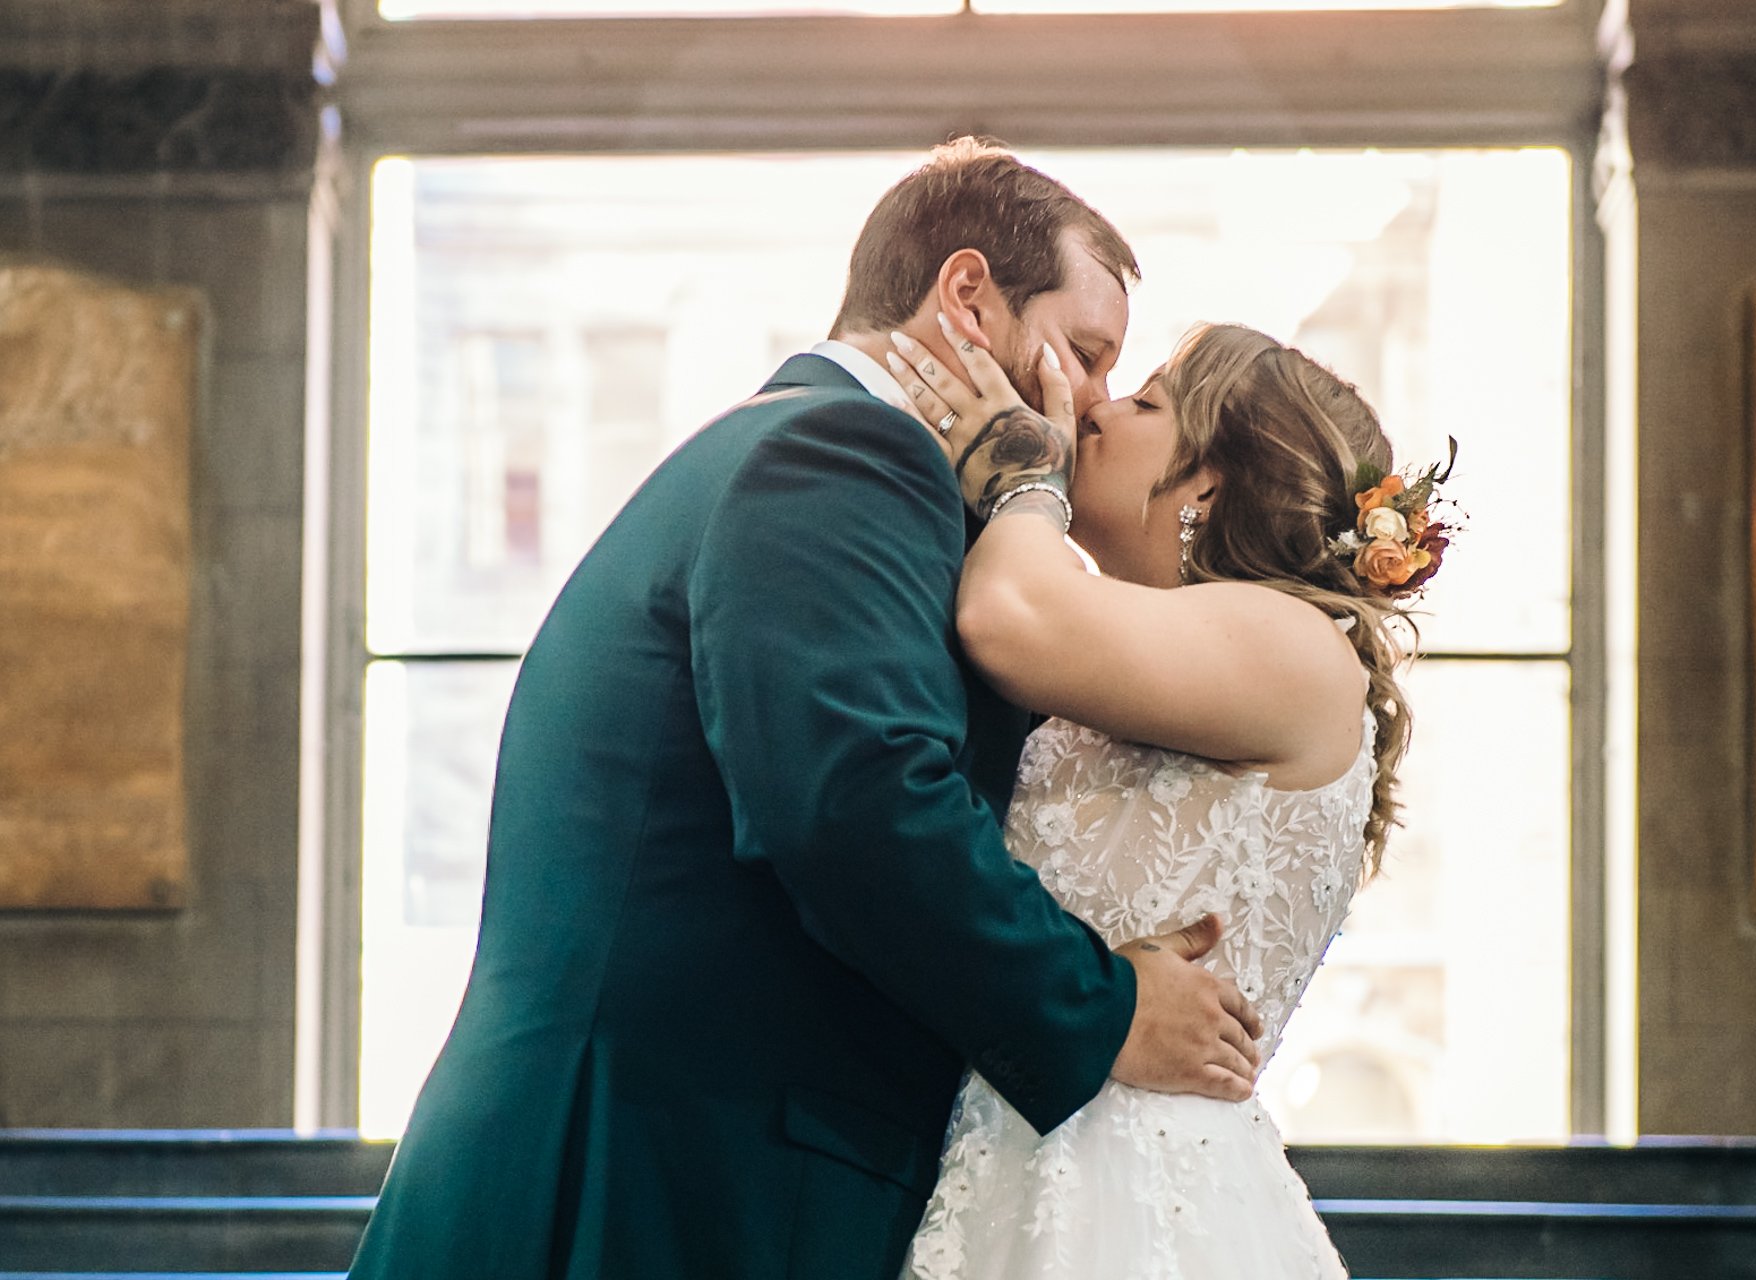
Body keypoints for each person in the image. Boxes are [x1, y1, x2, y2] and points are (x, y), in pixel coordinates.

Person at [345, 138, 1267, 1280]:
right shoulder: (843, 451)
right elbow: (856, 800)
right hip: (638, 1185)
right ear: (966, 295)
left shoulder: (836, 461)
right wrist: (1106, 1008)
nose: (1085, 409)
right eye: (1082, 354)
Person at [878, 318, 1450, 1278]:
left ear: (1207, 486)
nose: (1096, 409)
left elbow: (1007, 614)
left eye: (1144, 403)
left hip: (1137, 1202)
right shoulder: (1140, 667)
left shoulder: (1300, 646)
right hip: (1013, 1158)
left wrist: (1023, 480)